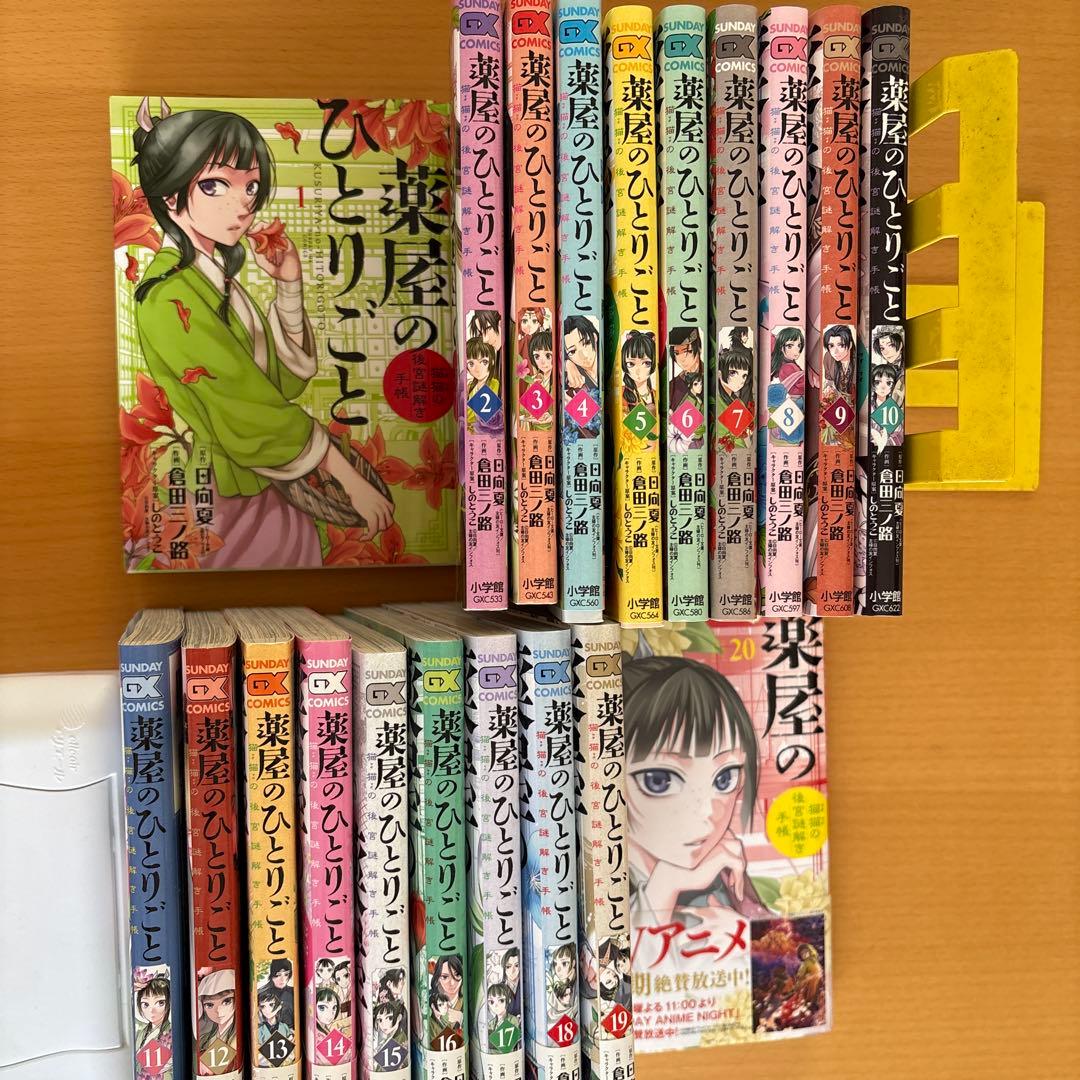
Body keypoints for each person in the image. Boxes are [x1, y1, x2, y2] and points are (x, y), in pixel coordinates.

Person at [129, 99, 394, 567]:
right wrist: (347, 476)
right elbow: (245, 405)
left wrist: (288, 285)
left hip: (264, 480)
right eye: (214, 185)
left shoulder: (214, 279)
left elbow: (279, 387)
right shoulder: (168, 294)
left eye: (250, 186)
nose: (243, 205)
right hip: (229, 492)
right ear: (170, 196)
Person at [623, 654, 771, 928]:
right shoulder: (597, 877)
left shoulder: (724, 867)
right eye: (659, 781)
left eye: (724, 779)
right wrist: (662, 890)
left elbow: (787, 949)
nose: (706, 812)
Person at [134, 974, 172, 1078]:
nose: (151, 1010)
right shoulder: (141, 1030)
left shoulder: (171, 1032)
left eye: (160, 1003)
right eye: (145, 1004)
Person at [196, 968, 236, 1064]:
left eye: (227, 1001)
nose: (218, 1011)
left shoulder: (236, 1038)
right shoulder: (204, 1039)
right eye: (209, 1005)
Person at [620, 330, 657, 414]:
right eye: (631, 364)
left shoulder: (656, 394)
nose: (638, 371)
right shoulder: (620, 394)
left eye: (646, 363)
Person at [372, 998, 408, 1071]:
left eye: (389, 1018)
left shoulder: (401, 1040)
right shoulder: (386, 1039)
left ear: (399, 1017)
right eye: (380, 1020)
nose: (384, 1024)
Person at [485, 982, 521, 1052]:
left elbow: (509, 1047)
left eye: (501, 1000)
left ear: (508, 1000)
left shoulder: (513, 1020)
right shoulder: (490, 1024)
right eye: (491, 1002)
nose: (496, 1005)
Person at [431, 956, 464, 1030]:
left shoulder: (466, 1001)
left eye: (457, 975)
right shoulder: (432, 1001)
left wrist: (462, 1019)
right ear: (438, 978)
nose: (452, 983)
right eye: (445, 977)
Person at [314, 988, 342, 1064]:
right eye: (322, 1008)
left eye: (334, 1007)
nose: (330, 1013)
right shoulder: (316, 1034)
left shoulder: (324, 1028)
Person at [501, 948, 521, 1019]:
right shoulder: (500, 988)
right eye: (508, 966)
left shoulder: (527, 985)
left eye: (517, 965)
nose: (512, 970)